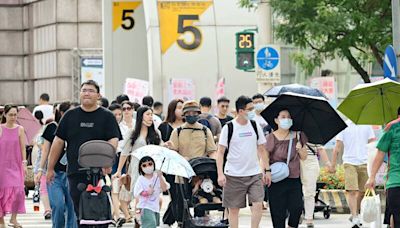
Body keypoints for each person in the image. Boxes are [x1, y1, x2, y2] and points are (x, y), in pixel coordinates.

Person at [46, 80, 122, 227]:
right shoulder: (70, 116)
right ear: (80, 94)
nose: (87, 93)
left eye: (91, 90)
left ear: (98, 95)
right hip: (75, 172)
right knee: (79, 213)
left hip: (99, 172)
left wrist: (107, 162)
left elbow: (113, 140)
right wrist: (50, 168)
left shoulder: (107, 116)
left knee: (100, 213)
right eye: (84, 90)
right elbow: (58, 142)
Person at [216, 96, 271, 228]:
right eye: (250, 109)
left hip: (254, 173)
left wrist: (267, 170)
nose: (253, 111)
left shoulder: (254, 125)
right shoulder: (228, 128)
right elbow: (220, 152)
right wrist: (220, 174)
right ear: (241, 111)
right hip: (233, 175)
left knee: (258, 204)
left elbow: (262, 149)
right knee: (234, 210)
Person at [163, 100, 217, 226]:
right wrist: (170, 149)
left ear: (198, 113)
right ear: (184, 115)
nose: (191, 115)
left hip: (201, 175)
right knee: (182, 206)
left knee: (200, 205)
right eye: (188, 113)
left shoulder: (205, 131)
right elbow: (173, 152)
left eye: (194, 112)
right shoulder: (178, 131)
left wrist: (214, 167)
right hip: (181, 175)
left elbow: (212, 151)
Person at [113, 105, 162, 224]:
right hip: (136, 168)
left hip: (152, 169)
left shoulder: (156, 133)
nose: (151, 117)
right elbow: (125, 152)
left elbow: (160, 150)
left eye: (151, 114)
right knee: (139, 196)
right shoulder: (133, 133)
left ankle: (144, 220)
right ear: (141, 117)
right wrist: (119, 170)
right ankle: (139, 220)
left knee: (154, 198)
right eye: (148, 114)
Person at [35, 101, 77, 228]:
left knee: (72, 208)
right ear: (62, 113)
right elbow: (45, 150)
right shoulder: (52, 127)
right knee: (58, 205)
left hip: (72, 174)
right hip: (54, 174)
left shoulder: (77, 127)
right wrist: (41, 170)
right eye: (70, 111)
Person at [265, 109, 308, 228]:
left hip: (294, 178)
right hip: (276, 179)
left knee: (297, 208)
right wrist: (266, 172)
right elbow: (265, 157)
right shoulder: (271, 137)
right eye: (283, 117)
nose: (286, 119)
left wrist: (300, 149)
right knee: (278, 213)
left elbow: (304, 157)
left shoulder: (299, 135)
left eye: (289, 117)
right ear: (276, 120)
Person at [331, 119, 375, 228]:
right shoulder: (344, 126)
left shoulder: (367, 125)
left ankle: (355, 213)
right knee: (352, 190)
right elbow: (337, 146)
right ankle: (355, 216)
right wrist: (333, 164)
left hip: (364, 162)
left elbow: (373, 143)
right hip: (349, 162)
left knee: (362, 192)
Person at [366, 108, 400, 228]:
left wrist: (372, 177)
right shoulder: (391, 127)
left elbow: (380, 154)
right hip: (395, 180)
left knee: (396, 218)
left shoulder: (391, 127)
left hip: (395, 182)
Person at [0, 104, 27, 228]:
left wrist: (24, 163)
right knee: (1, 192)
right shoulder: (0, 128)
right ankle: (1, 220)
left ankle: (13, 218)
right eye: (10, 114)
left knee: (18, 191)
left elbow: (23, 148)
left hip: (16, 165)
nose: (13, 117)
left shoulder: (20, 129)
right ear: (5, 114)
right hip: (2, 166)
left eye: (15, 115)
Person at [300, 143, 332, 227]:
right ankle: (297, 213)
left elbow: (320, 148)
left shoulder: (314, 133)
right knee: (295, 191)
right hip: (295, 161)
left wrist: (328, 163)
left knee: (309, 192)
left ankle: (309, 219)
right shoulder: (292, 132)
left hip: (311, 161)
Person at [134, 156, 169, 228]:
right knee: (150, 224)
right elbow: (137, 192)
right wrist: (146, 193)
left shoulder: (157, 177)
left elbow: (165, 188)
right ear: (141, 167)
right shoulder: (141, 179)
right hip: (145, 206)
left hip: (155, 207)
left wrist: (160, 176)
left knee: (154, 224)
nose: (147, 167)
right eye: (144, 165)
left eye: (150, 164)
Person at [32, 110, 52, 220]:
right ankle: (49, 209)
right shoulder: (45, 135)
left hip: (42, 166)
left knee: (44, 188)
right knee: (46, 188)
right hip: (46, 167)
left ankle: (48, 209)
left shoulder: (39, 135)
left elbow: (36, 154)